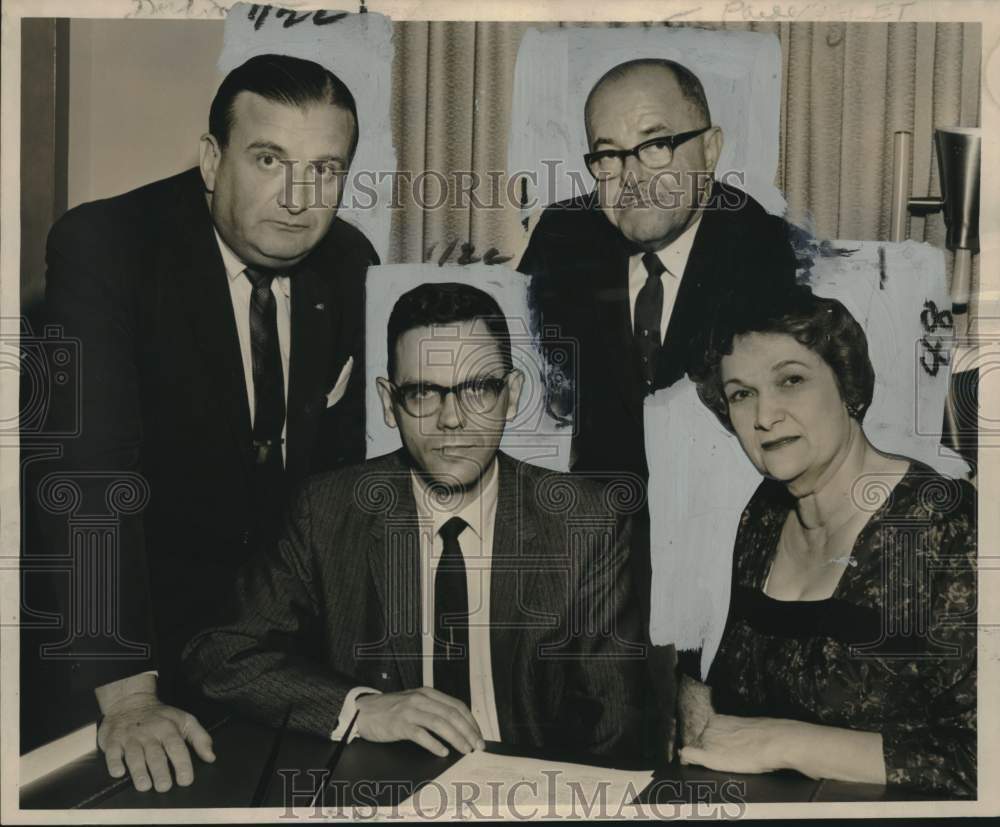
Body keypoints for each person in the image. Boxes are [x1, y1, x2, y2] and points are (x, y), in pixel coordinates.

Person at [32, 54, 378, 791]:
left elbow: (341, 486)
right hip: (122, 636)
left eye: (325, 169)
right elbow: (91, 478)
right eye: (269, 158)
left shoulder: (350, 262)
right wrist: (127, 693)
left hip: (268, 649)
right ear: (212, 160)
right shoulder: (108, 247)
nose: (298, 197)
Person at [183, 282, 649, 759]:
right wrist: (361, 710)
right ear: (389, 402)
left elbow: (613, 723)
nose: (451, 419)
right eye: (424, 392)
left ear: (512, 395)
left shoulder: (584, 520)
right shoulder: (326, 510)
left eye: (477, 389)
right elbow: (220, 653)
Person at [518, 58, 798, 644]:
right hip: (584, 550)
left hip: (710, 549)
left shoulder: (757, 246)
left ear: (711, 149)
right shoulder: (562, 237)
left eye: (656, 146)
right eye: (607, 154)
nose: (630, 176)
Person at [681, 286, 976, 797]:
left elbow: (982, 757)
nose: (764, 417)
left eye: (791, 380)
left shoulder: (942, 525)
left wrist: (788, 742)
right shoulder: (763, 516)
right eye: (741, 394)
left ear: (847, 387)